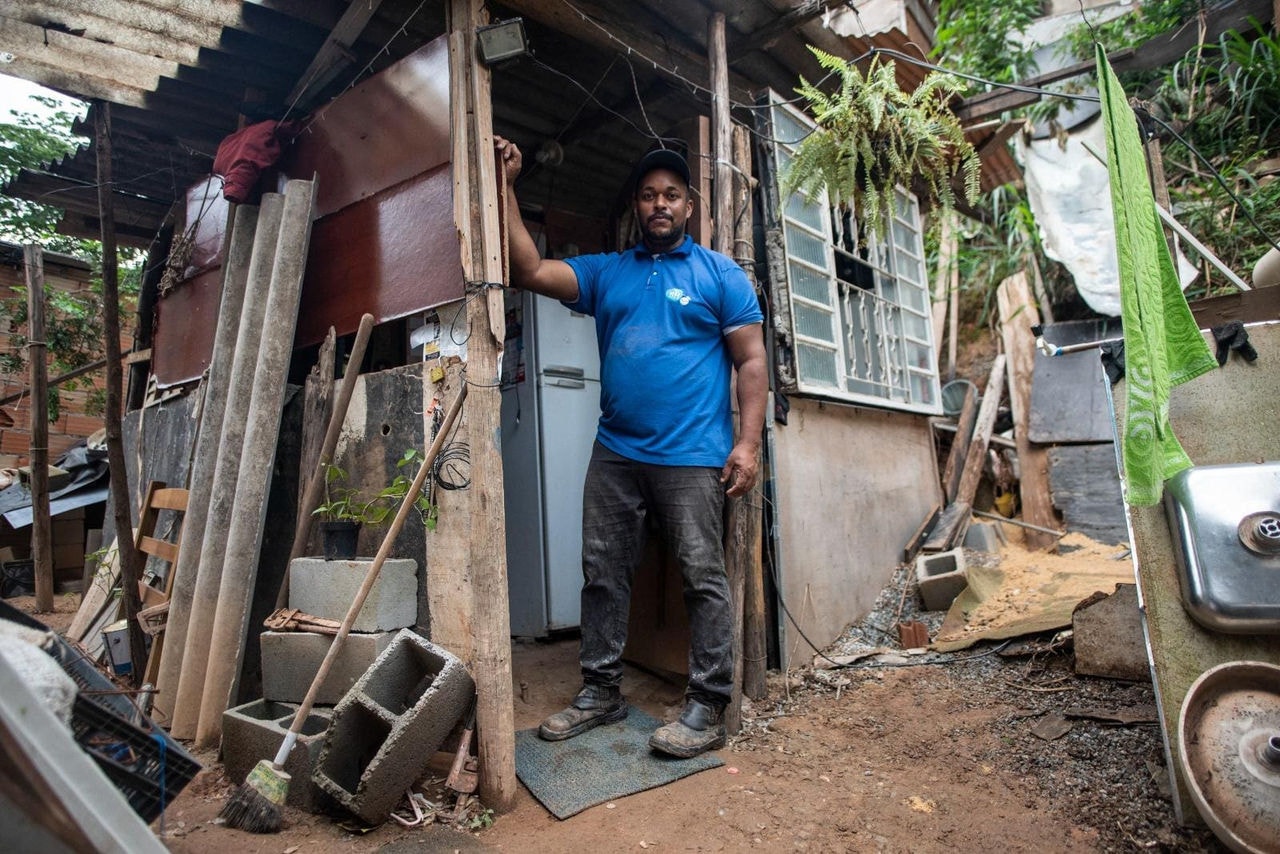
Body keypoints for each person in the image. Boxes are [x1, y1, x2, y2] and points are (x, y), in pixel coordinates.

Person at [495, 136, 767, 759]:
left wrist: (746, 445)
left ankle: (707, 704)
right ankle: (601, 691)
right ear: (637, 208)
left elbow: (751, 362)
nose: (660, 204)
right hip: (615, 451)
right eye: (649, 195)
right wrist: (507, 188)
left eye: (671, 194)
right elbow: (530, 271)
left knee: (703, 577)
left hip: (694, 452)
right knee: (602, 574)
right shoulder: (607, 272)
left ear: (689, 206)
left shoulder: (719, 274)